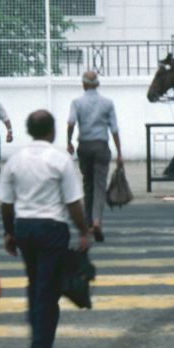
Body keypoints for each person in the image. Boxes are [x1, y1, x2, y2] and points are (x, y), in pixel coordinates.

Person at [0, 110, 92, 348]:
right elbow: (73, 203)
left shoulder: (15, 160)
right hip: (52, 228)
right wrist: (84, 231)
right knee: (48, 290)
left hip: (25, 227)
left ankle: (37, 335)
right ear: (52, 131)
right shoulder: (60, 160)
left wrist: (9, 232)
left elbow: (6, 204)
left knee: (35, 283)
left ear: (29, 130)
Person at [67, 70, 121, 242]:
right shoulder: (107, 103)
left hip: (84, 147)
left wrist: (69, 142)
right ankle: (97, 220)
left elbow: (71, 123)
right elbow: (114, 129)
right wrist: (119, 153)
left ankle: (88, 223)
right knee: (99, 185)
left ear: (83, 85)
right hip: (101, 146)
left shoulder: (77, 102)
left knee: (88, 184)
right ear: (97, 84)